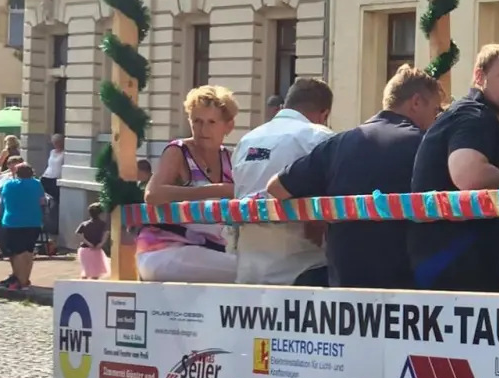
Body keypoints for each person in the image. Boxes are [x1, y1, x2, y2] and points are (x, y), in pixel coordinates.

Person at [269, 65, 446, 289]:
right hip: (406, 288)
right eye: (435, 110)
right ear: (417, 102)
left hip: (345, 288)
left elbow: (276, 187)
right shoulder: (425, 145)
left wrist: (320, 212)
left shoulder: (337, 143)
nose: (435, 118)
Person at [410, 45, 499, 292]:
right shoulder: (473, 115)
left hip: (457, 259)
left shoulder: (484, 119)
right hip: (454, 259)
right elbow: (468, 173)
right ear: (479, 76)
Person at [232, 78, 336, 286]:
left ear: (284, 106)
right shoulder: (319, 138)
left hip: (248, 272)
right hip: (303, 270)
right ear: (324, 114)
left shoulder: (247, 141)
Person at [137, 85, 239, 283]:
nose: (203, 129)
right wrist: (215, 190)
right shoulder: (178, 151)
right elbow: (152, 194)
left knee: (252, 266)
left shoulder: (229, 158)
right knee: (248, 271)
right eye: (197, 121)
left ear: (228, 126)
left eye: (211, 122)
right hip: (163, 250)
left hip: (206, 251)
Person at [0, 162, 46, 290]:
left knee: (16, 252)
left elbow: (3, 201)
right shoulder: (37, 184)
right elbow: (42, 202)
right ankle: (25, 278)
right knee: (28, 251)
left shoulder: (9, 184)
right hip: (34, 221)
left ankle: (19, 279)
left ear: (16, 173)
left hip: (13, 222)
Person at [76, 203, 110, 280]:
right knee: (95, 273)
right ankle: (92, 289)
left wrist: (88, 243)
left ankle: (82, 288)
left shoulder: (84, 224)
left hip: (84, 249)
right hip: (97, 250)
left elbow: (79, 234)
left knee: (85, 271)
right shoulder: (103, 224)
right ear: (100, 213)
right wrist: (101, 243)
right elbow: (106, 233)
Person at [41, 134, 65, 201]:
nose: (55, 144)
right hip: (46, 176)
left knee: (55, 198)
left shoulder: (64, 153)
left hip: (56, 177)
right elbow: (50, 165)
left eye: (57, 142)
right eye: (54, 142)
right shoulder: (52, 152)